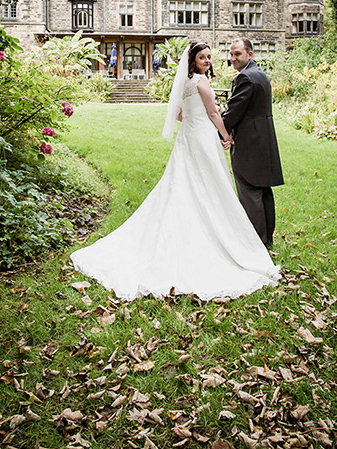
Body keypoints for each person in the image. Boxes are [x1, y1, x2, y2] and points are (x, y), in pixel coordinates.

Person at [70, 41, 279, 301]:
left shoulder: (184, 82)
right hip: (201, 136)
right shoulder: (201, 81)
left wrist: (195, 118)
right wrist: (225, 136)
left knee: (187, 182)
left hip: (189, 135)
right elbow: (214, 113)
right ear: (192, 60)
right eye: (202, 57)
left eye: (209, 57)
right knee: (209, 183)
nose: (207, 61)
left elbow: (178, 114)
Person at [222, 38, 284, 248]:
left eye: (237, 54)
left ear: (250, 54)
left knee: (249, 191)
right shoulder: (261, 75)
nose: (233, 58)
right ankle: (267, 238)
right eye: (231, 54)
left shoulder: (245, 78)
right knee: (263, 190)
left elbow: (233, 113)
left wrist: (221, 132)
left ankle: (256, 241)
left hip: (249, 142)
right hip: (264, 140)